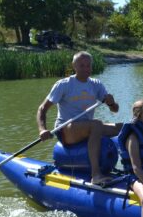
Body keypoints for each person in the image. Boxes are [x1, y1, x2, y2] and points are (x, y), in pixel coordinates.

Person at [37, 51, 121, 185]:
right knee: (96, 124)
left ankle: (135, 166)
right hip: (65, 129)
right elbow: (42, 109)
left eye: (88, 65)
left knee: (124, 128)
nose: (86, 69)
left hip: (87, 128)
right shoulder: (64, 84)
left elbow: (115, 110)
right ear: (74, 66)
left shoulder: (96, 84)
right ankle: (96, 175)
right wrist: (42, 129)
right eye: (82, 65)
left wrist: (111, 102)